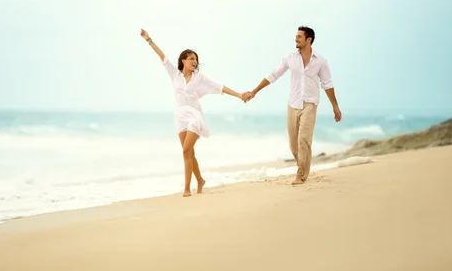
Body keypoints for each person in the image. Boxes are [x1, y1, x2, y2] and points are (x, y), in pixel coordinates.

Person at [140, 28, 245, 197]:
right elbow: (163, 57)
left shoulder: (200, 79)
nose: (194, 62)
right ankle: (200, 180)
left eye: (196, 59)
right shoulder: (175, 75)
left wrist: (239, 95)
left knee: (185, 150)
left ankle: (187, 188)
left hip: (194, 115)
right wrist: (149, 40)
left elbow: (220, 87)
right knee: (189, 152)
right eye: (191, 59)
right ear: (183, 60)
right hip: (180, 115)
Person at [241, 26, 342, 185]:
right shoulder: (290, 58)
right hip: (293, 104)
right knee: (294, 145)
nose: (296, 39)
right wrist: (254, 91)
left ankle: (301, 175)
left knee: (304, 140)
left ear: (309, 40)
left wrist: (335, 106)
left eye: (299, 37)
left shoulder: (320, 61)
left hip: (310, 104)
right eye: (296, 36)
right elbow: (273, 75)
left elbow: (327, 84)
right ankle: (302, 165)